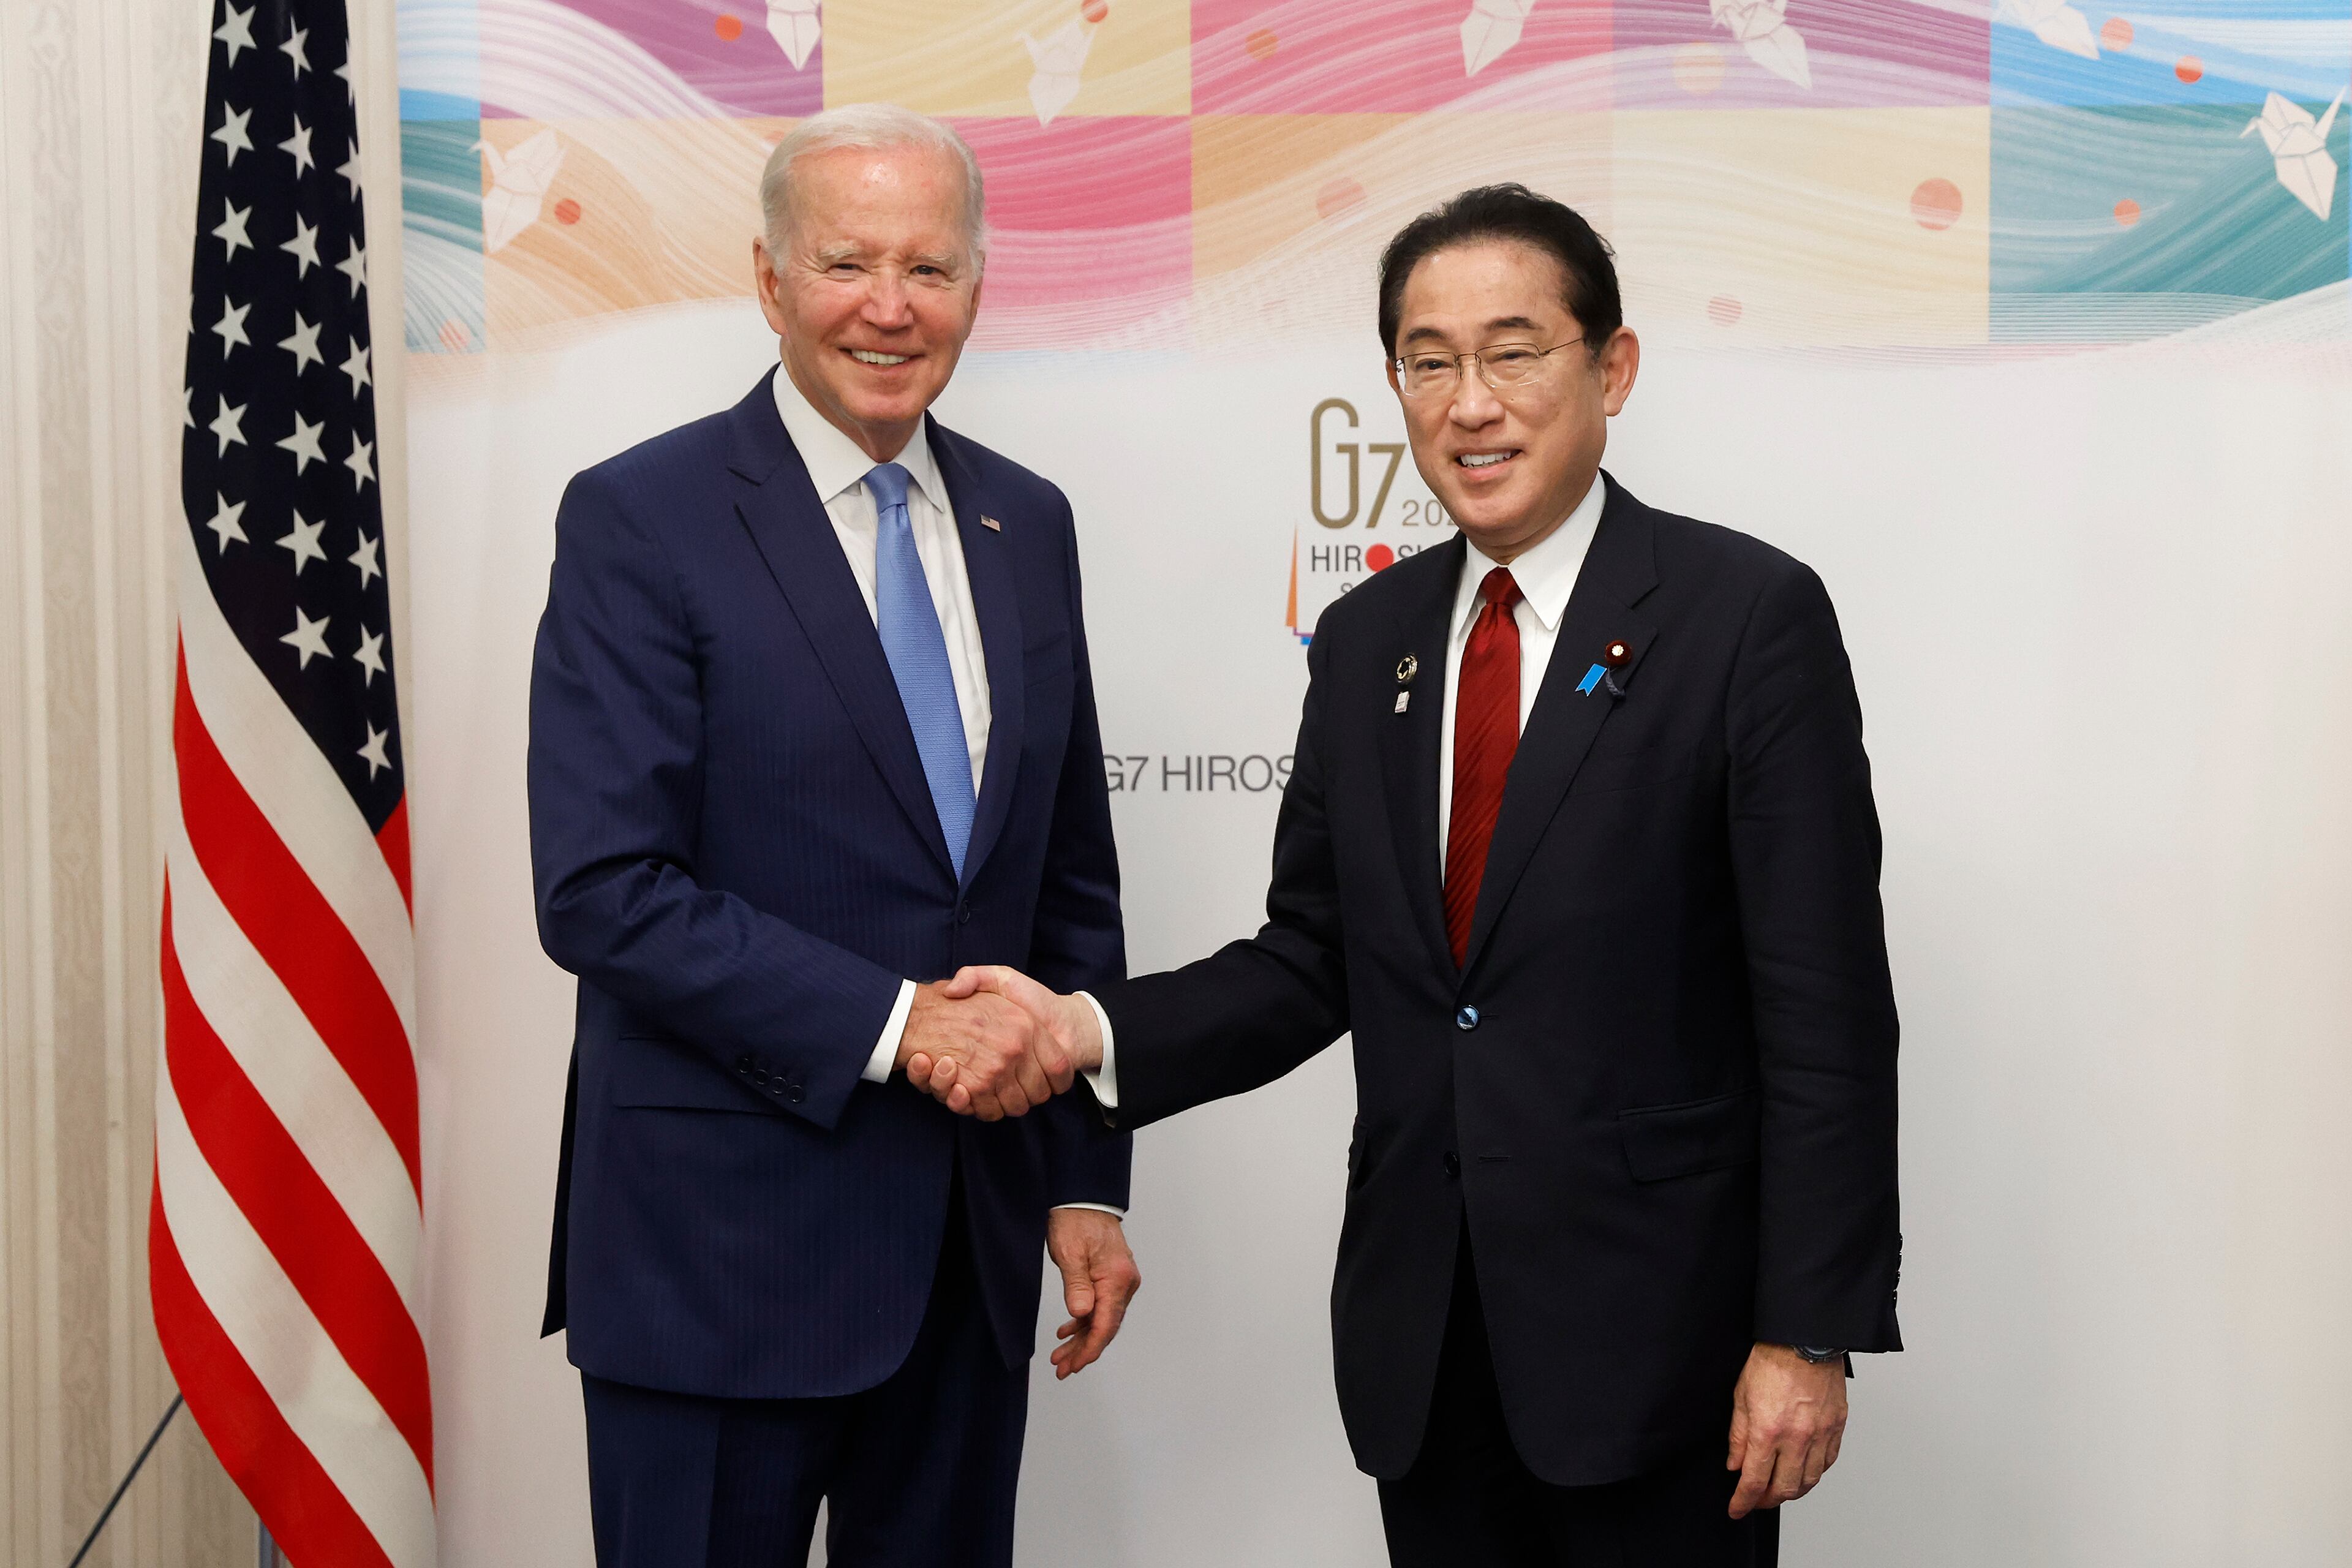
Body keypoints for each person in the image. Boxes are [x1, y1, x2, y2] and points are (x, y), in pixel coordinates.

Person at [919, 184, 1902, 1566]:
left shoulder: (1747, 618)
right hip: (1426, 1344)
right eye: (1429, 361)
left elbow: (1827, 1016)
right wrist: (1083, 1028)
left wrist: (1807, 1328)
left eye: (1514, 351)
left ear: (1611, 367)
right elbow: (1314, 952)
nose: (1469, 402)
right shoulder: (1369, 631)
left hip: (1664, 1350)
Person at [527, 103, 1138, 1568]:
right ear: (769, 277)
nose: (889, 304)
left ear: (977, 292)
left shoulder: (1028, 521)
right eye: (848, 261)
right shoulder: (640, 516)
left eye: (930, 268)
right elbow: (604, 890)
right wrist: (897, 1024)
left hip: (967, 1263)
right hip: (716, 1263)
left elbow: (1062, 875)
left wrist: (1081, 1175)